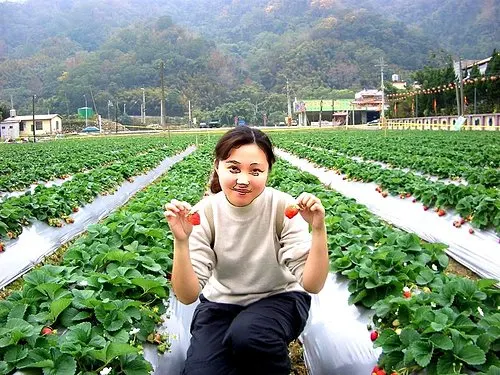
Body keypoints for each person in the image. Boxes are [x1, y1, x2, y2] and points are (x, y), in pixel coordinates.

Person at [164, 126, 328, 375]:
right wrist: (181, 241)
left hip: (280, 298)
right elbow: (187, 296)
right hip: (222, 304)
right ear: (217, 166)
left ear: (267, 172)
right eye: (233, 168)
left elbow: (312, 284)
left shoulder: (283, 207)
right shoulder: (204, 212)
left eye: (255, 171)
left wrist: (318, 230)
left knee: (250, 336)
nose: (243, 180)